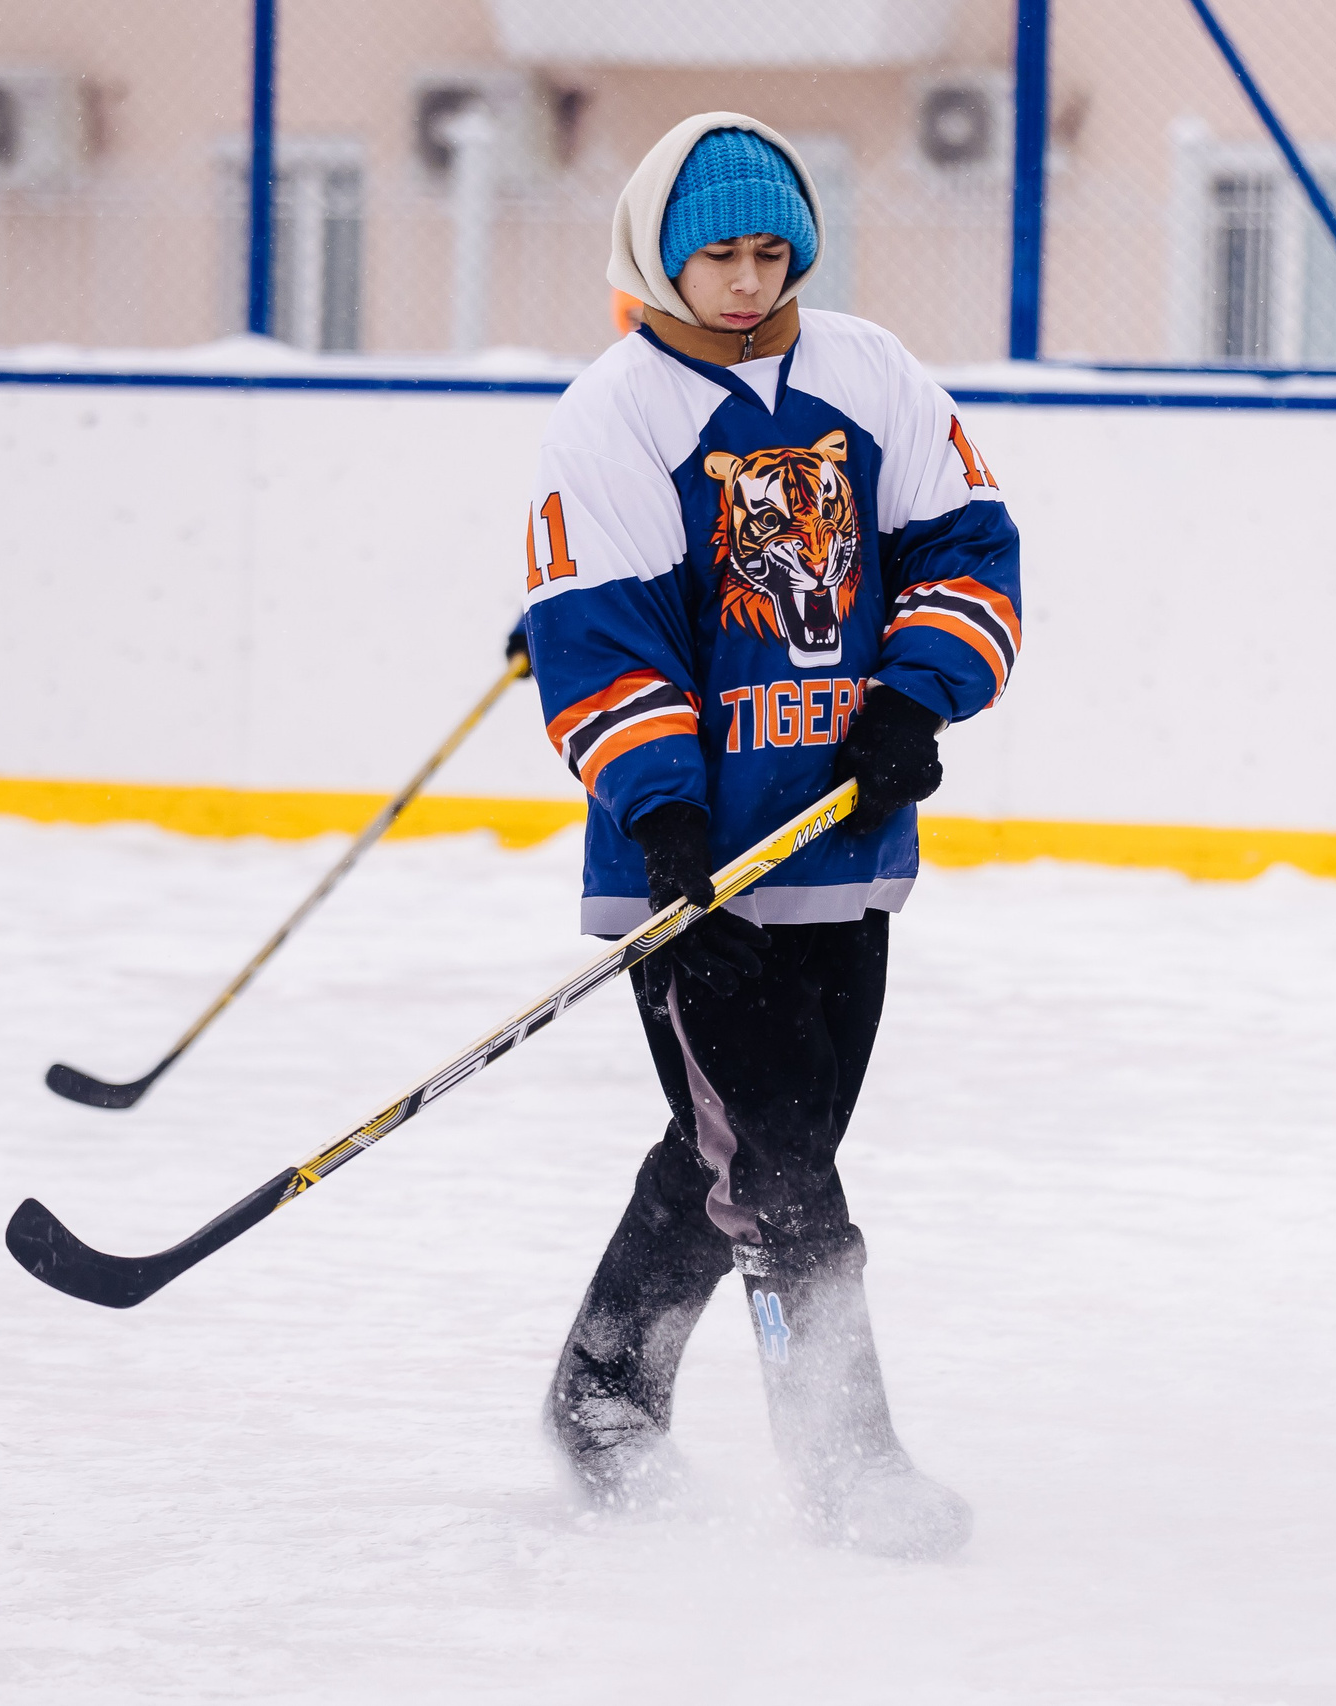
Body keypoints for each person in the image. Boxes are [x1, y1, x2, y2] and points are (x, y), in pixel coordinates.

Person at [519, 112, 1022, 1559]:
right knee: (786, 1171)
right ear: (659, 258)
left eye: (767, 250)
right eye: (715, 255)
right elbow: (597, 636)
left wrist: (912, 699)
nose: (745, 280)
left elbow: (969, 547)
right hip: (695, 875)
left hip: (843, 858)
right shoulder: (613, 415)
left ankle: (602, 1385)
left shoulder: (871, 375)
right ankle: (845, 1463)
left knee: (737, 1147)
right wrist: (665, 807)